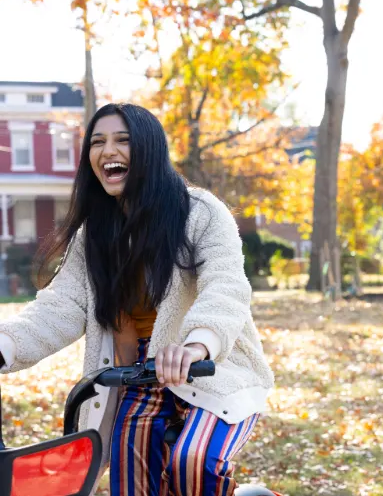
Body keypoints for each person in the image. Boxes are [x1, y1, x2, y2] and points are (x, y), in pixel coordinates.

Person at [0, 103, 274, 496]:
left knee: (192, 461)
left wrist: (197, 345)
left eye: (122, 141)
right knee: (131, 485)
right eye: (97, 143)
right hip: (133, 377)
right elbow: (59, 307)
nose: (107, 151)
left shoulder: (200, 213)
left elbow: (225, 286)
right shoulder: (94, 235)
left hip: (210, 366)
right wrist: (5, 345)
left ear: (149, 149)